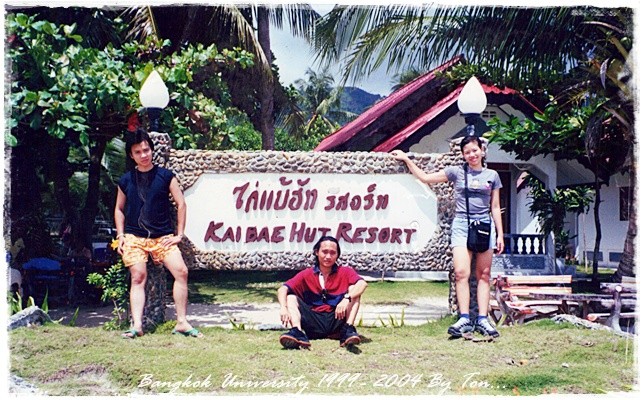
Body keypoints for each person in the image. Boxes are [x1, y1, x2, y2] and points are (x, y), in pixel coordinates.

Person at [390, 135, 504, 338]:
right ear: (463, 155)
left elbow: (495, 207)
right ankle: (464, 318)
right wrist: (406, 159)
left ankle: (483, 319)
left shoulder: (492, 175)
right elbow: (426, 178)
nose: (472, 155)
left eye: (475, 150)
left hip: (485, 226)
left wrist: (500, 234)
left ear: (482, 150)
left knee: (484, 275)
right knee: (461, 273)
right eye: (467, 152)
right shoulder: (456, 172)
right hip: (461, 224)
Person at [114, 128, 202, 339]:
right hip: (134, 238)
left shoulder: (166, 176)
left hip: (163, 238)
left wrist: (179, 234)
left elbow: (181, 204)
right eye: (138, 152)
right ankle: (137, 325)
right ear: (131, 155)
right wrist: (121, 235)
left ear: (151, 150)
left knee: (181, 272)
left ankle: (182, 322)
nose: (143, 155)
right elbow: (119, 209)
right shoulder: (126, 180)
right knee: (138, 276)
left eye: (146, 150)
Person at [277, 236, 368, 349]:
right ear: (317, 252)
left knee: (354, 290)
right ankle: (297, 332)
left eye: (332, 253)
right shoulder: (306, 274)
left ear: (337, 255)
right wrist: (283, 308)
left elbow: (362, 284)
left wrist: (346, 298)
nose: (328, 256)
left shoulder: (345, 272)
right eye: (324, 252)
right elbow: (282, 289)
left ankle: (348, 330)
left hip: (336, 319)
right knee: (290, 297)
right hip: (313, 321)